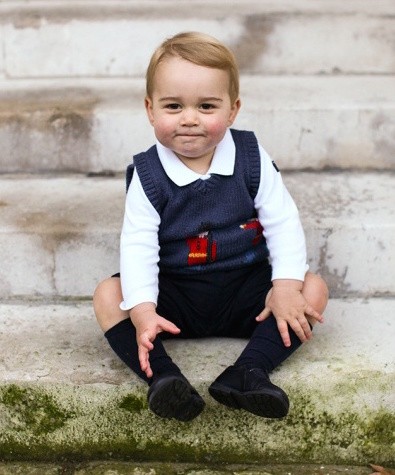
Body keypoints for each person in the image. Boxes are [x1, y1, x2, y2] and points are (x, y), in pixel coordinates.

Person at [93, 31, 329, 422]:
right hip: (176, 295)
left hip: (245, 289)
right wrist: (143, 309)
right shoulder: (149, 176)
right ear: (150, 110)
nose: (189, 119)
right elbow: (137, 245)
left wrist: (285, 288)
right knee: (108, 295)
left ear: (233, 110)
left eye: (206, 106)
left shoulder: (251, 157)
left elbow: (282, 220)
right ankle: (165, 380)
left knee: (313, 288)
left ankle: (248, 372)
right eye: (173, 106)